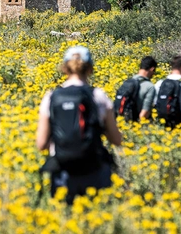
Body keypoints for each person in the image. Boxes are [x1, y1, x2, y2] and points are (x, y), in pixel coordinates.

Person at [36, 46, 122, 205]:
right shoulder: (99, 96)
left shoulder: (51, 97)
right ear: (90, 69)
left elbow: (41, 144)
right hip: (94, 167)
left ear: (65, 68)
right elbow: (116, 140)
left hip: (63, 170)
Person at [113, 56, 157, 121]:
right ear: (152, 69)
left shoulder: (128, 82)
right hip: (136, 124)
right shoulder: (149, 86)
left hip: (121, 121)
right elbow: (144, 113)